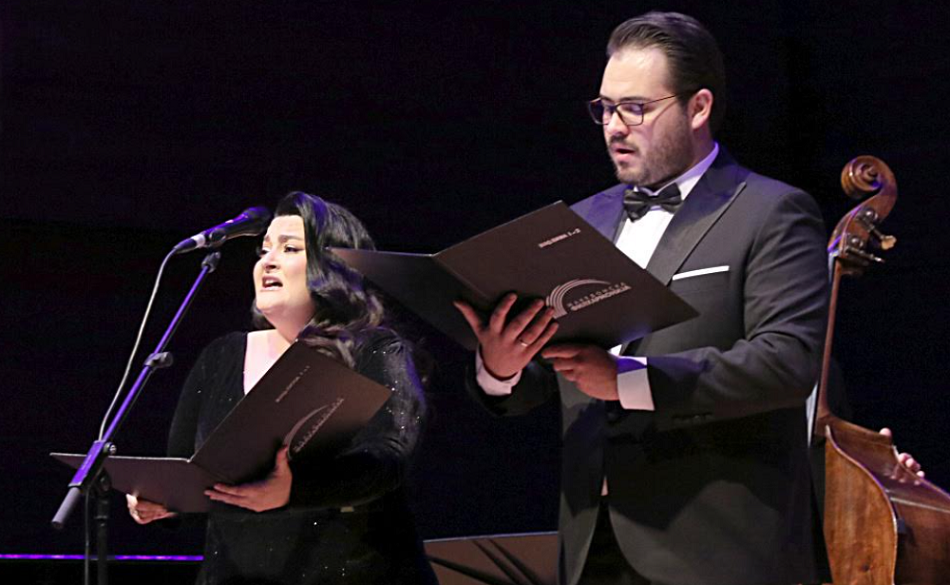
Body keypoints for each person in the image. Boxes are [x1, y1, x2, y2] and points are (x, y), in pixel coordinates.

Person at [455, 11, 831, 585]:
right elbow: (554, 371)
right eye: (605, 108)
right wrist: (500, 367)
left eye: (634, 108)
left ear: (698, 107)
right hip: (594, 545)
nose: (613, 127)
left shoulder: (770, 212)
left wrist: (629, 381)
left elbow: (787, 363)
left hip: (716, 550)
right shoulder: (581, 221)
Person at [127, 191, 437, 585]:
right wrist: (161, 502)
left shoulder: (374, 349)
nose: (267, 261)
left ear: (334, 266)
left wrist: (296, 490)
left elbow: (388, 458)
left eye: (289, 248)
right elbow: (188, 474)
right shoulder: (221, 356)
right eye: (264, 250)